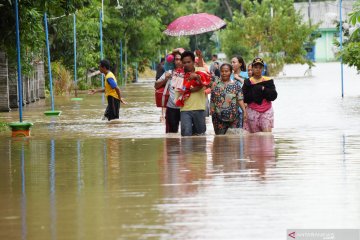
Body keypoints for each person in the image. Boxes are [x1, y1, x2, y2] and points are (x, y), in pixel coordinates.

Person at [177, 51, 209, 136]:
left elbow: (208, 84)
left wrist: (197, 77)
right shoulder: (178, 75)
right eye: (184, 62)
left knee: (200, 136)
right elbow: (178, 91)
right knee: (186, 136)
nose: (186, 64)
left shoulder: (201, 70)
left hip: (199, 108)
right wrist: (188, 88)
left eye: (189, 62)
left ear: (194, 61)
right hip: (185, 109)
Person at [209, 63, 247, 135]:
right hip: (218, 117)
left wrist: (244, 111)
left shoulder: (236, 85)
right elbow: (212, 98)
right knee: (220, 140)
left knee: (233, 140)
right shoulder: (215, 84)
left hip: (234, 117)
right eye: (222, 71)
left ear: (231, 72)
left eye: (226, 71)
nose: (224, 73)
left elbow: (240, 99)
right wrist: (212, 111)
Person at [242, 57, 277, 133]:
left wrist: (264, 89)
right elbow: (245, 98)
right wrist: (257, 89)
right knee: (255, 137)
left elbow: (273, 96)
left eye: (260, 67)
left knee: (267, 136)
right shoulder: (248, 82)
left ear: (263, 69)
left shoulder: (268, 81)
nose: (258, 69)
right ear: (252, 68)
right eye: (256, 67)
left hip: (267, 110)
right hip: (252, 111)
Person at [154, 51, 184, 133]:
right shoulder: (169, 73)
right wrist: (165, 79)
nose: (178, 61)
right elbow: (156, 86)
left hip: (185, 108)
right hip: (171, 108)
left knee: (187, 134)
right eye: (176, 59)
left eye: (180, 59)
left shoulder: (188, 73)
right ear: (173, 61)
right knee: (171, 136)